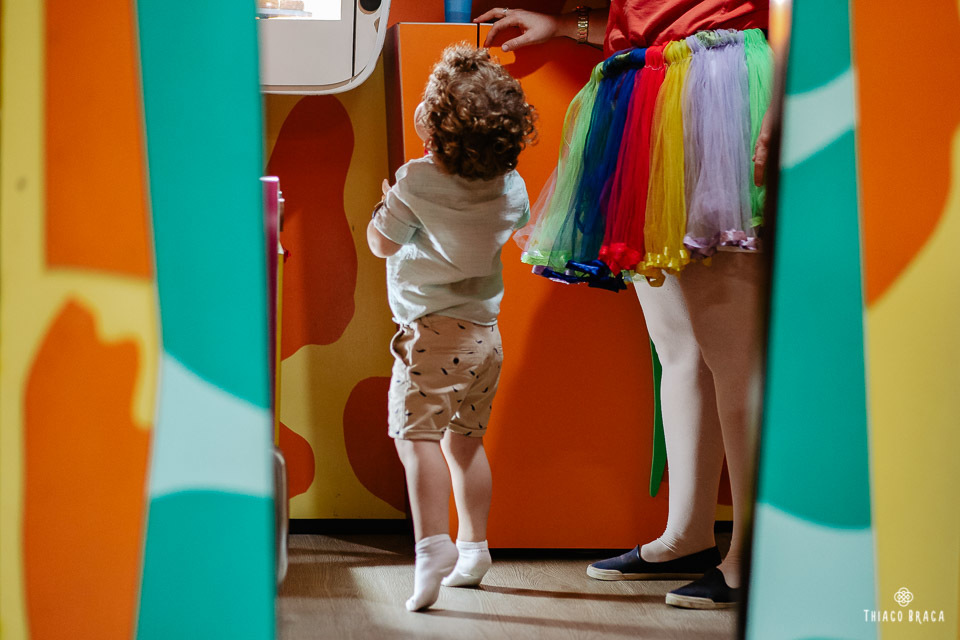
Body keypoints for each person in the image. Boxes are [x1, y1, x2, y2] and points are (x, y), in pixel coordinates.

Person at [475, 1, 772, 609]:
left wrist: (781, 107)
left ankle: (756, 554)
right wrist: (571, 28)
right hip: (645, 88)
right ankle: (688, 534)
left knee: (732, 349)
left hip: (713, 81)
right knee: (679, 347)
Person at [366, 44, 536, 612]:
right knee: (464, 443)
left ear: (434, 128)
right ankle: (475, 547)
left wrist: (386, 203)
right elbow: (522, 234)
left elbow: (382, 243)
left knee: (413, 436)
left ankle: (433, 544)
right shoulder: (511, 186)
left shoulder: (417, 180)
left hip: (432, 336)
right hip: (485, 337)